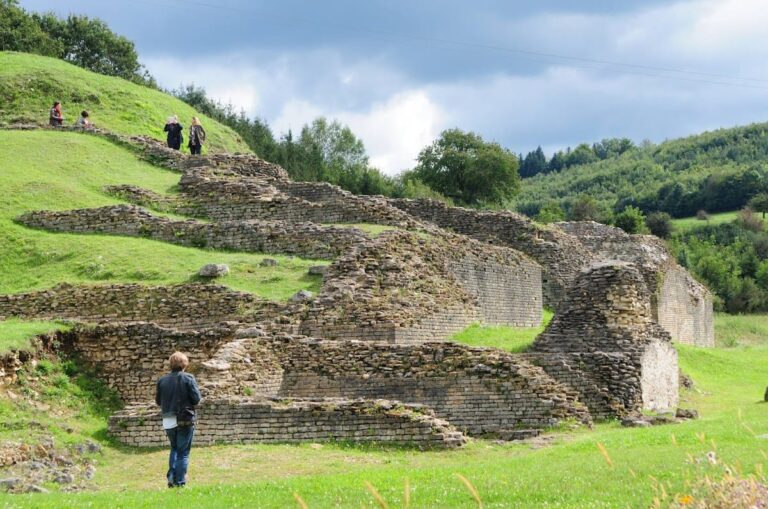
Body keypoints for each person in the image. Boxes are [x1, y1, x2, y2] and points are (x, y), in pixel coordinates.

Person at [155, 351, 201, 488]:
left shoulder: (162, 380)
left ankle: (171, 477)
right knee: (183, 453)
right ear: (184, 363)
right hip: (184, 418)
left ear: (171, 364)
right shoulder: (188, 378)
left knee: (174, 448)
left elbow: (158, 401)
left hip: (168, 419)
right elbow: (196, 399)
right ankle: (180, 482)